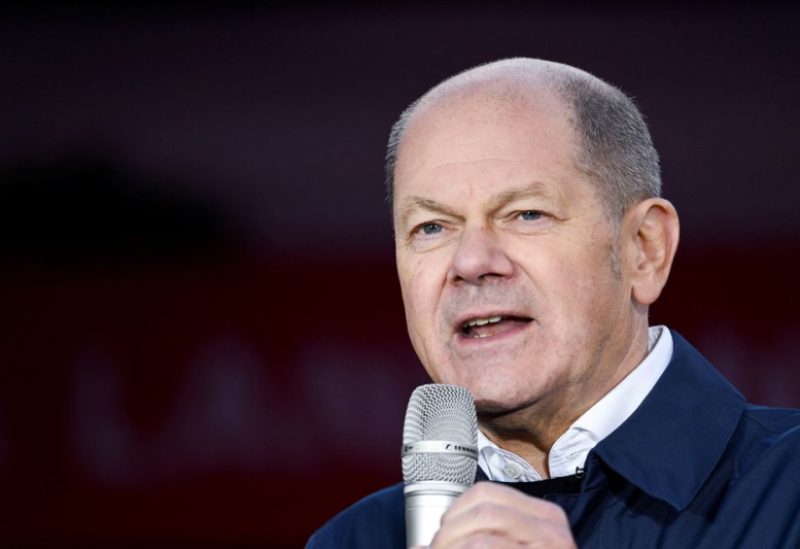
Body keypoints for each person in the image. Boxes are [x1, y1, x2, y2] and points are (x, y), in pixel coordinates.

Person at [307, 58, 800, 548]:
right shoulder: (356, 540)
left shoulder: (786, 489)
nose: (472, 261)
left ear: (643, 249)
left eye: (526, 214)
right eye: (431, 227)